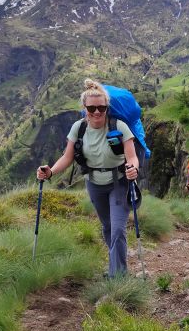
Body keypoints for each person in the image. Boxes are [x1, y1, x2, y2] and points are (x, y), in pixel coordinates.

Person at [36, 79, 139, 277]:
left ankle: (118, 277)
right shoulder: (78, 128)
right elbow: (67, 157)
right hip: (94, 184)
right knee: (108, 227)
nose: (97, 112)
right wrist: (50, 172)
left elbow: (132, 156)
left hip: (119, 182)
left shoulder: (120, 126)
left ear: (107, 107)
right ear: (85, 108)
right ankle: (115, 266)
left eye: (101, 107)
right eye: (92, 108)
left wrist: (132, 168)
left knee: (117, 229)